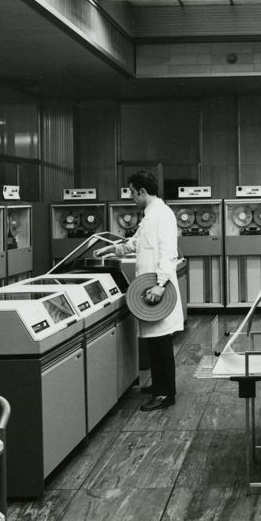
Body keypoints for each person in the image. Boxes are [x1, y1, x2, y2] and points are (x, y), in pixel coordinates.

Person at [96, 170, 184, 411]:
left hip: (157, 288)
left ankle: (165, 394)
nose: (132, 198)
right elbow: (137, 242)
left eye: (133, 193)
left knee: (160, 341)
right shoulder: (150, 214)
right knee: (154, 341)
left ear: (143, 191)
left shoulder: (162, 214)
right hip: (149, 287)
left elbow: (168, 253)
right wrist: (113, 249)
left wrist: (160, 284)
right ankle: (159, 385)